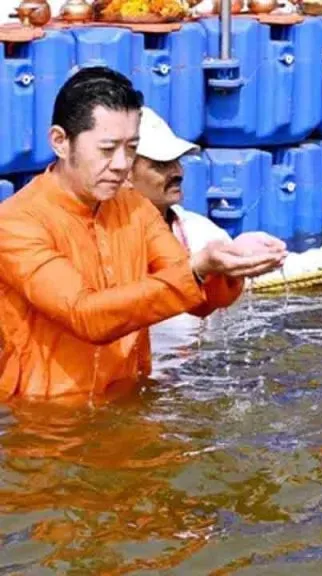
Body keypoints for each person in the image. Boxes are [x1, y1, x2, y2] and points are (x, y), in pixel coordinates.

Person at [0, 67, 285, 401]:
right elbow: (86, 315)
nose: (122, 164)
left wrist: (229, 264)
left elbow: (199, 299)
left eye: (131, 148)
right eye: (107, 149)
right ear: (61, 142)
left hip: (131, 401)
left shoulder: (133, 206)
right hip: (48, 421)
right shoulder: (16, 222)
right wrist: (197, 269)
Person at [129, 106, 322, 293]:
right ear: (125, 172)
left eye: (177, 161)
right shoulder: (109, 237)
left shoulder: (195, 230)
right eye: (161, 165)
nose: (178, 172)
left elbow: (253, 274)